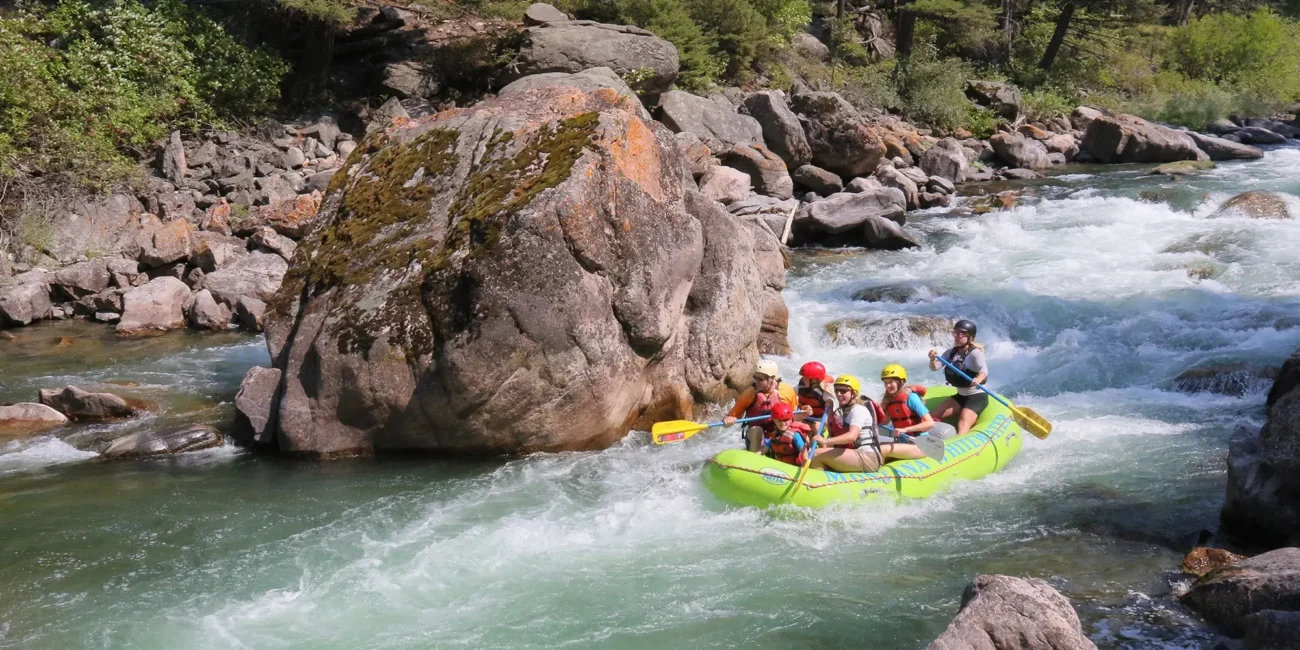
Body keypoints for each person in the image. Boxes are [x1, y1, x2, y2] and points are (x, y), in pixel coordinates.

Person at [809, 374, 928, 472]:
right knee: (812, 451)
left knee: (815, 454)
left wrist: (826, 441)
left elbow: (851, 436)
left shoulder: (858, 409)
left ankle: (820, 483)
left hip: (867, 457)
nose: (839, 394)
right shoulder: (841, 411)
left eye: (843, 391)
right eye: (837, 391)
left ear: (853, 393)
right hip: (855, 453)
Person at [928, 319, 988, 437]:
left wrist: (978, 379)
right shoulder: (951, 352)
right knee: (930, 417)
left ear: (970, 337)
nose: (957, 336)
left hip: (976, 397)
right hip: (961, 396)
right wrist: (932, 360)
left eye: (961, 334)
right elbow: (935, 368)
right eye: (955, 333)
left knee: (962, 425)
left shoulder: (975, 353)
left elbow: (984, 371)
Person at [724, 359, 798, 453]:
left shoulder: (787, 391)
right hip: (757, 436)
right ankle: (755, 459)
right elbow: (731, 417)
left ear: (772, 379)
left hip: (780, 434)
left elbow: (795, 417)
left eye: (760, 379)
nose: (756, 381)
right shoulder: (750, 394)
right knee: (757, 430)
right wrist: (728, 420)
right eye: (755, 377)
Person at [879, 364, 956, 440]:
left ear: (900, 381)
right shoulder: (890, 399)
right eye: (885, 382)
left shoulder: (911, 397)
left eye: (891, 382)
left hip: (919, 440)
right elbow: (884, 422)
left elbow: (930, 423)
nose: (887, 386)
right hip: (901, 440)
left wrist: (905, 429)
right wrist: (883, 405)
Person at [795, 361, 836, 434]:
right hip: (805, 416)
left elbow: (830, 413)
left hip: (819, 419)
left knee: (816, 426)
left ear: (814, 380)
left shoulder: (825, 392)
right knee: (798, 426)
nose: (803, 379)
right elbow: (790, 393)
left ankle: (824, 444)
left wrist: (826, 422)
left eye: (806, 377)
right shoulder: (801, 386)